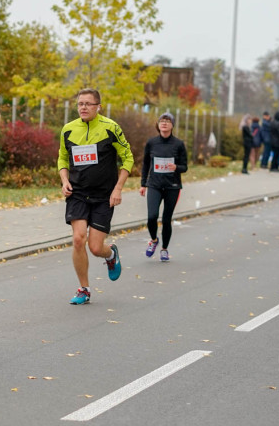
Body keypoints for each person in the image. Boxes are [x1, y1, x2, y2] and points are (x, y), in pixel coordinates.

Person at [57, 88, 133, 305]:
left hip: (103, 196)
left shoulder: (111, 128)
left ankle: (110, 255)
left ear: (99, 106)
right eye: (80, 104)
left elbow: (127, 158)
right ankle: (84, 289)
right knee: (78, 239)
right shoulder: (68, 130)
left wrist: (118, 188)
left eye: (88, 104)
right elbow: (62, 158)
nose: (83, 107)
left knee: (95, 247)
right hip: (78, 193)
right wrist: (64, 180)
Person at [140, 112, 189, 262]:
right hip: (154, 184)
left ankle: (164, 249)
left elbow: (185, 167)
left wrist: (176, 167)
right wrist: (143, 184)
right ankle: (154, 240)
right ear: (158, 124)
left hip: (172, 186)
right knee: (152, 217)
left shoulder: (178, 144)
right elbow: (146, 164)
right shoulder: (152, 143)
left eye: (168, 121)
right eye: (162, 121)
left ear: (172, 125)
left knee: (166, 219)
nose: (165, 123)